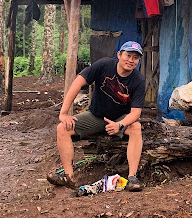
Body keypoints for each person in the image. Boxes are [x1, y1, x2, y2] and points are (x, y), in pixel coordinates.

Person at [47, 41, 146, 192]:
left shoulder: (138, 80)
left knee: (136, 127)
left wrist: (119, 125)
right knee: (63, 128)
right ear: (119, 55)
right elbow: (77, 83)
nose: (131, 60)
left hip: (119, 118)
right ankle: (68, 175)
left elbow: (135, 113)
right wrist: (64, 113)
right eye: (128, 55)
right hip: (96, 116)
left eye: (135, 58)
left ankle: (132, 177)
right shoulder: (104, 65)